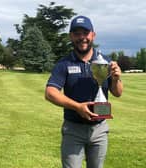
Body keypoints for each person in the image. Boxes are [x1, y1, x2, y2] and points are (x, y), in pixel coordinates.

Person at [45, 15, 123, 168]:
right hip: (73, 129)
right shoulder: (64, 63)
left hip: (99, 129)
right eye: (77, 33)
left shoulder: (105, 61)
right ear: (71, 36)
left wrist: (116, 79)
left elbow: (118, 92)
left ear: (93, 35)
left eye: (85, 33)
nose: (82, 37)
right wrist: (77, 107)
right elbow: (50, 92)